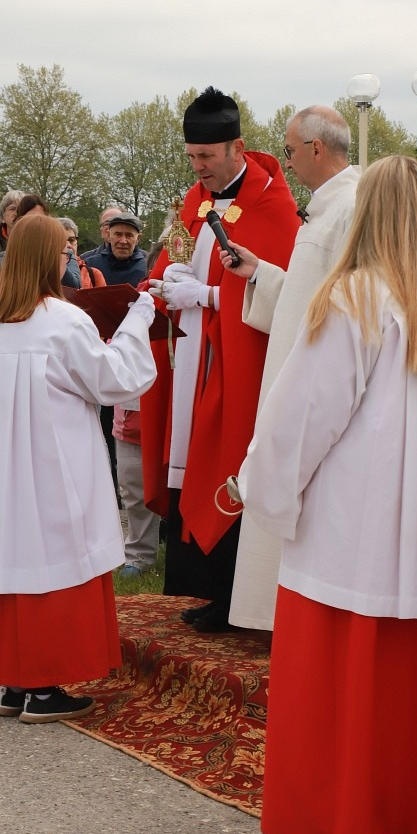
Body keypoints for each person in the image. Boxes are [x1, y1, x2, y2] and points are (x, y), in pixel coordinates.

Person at [239, 155, 417, 834]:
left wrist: (262, 487)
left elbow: (305, 414)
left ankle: (338, 829)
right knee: (404, 680)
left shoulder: (353, 299)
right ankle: (403, 822)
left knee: (334, 675)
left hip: (354, 521)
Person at [0, 214, 156, 723]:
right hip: (54, 462)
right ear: (50, 258)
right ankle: (45, 686)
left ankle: (16, 680)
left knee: (18, 558)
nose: (70, 261)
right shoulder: (62, 319)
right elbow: (114, 380)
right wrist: (138, 319)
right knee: (57, 558)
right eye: (63, 253)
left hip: (6, 466)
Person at [141, 87, 299, 632]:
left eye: (205, 157)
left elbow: (280, 290)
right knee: (190, 455)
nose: (198, 167)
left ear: (236, 146)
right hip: (192, 361)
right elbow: (173, 259)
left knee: (228, 455)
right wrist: (167, 281)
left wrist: (207, 297)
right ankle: (203, 586)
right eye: (191, 156)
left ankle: (238, 594)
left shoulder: (272, 205)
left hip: (236, 366)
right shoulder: (195, 201)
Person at [220, 106, 361, 631]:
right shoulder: (324, 206)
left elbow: (349, 305)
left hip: (321, 383)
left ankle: (303, 621)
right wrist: (262, 274)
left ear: (317, 149)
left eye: (289, 150)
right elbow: (309, 294)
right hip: (297, 368)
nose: (286, 160)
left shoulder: (351, 206)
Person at [86, 213, 147, 287]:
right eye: (118, 234)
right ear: (109, 236)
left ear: (138, 238)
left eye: (129, 235)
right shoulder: (91, 265)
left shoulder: (148, 266)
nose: (123, 241)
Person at [59, 217, 105, 288]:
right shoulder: (42, 274)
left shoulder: (94, 275)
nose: (68, 245)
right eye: (61, 240)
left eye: (71, 240)